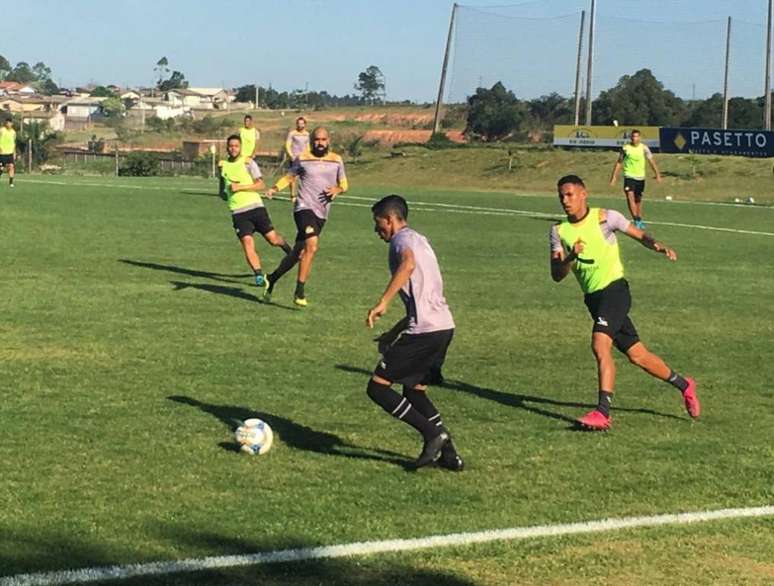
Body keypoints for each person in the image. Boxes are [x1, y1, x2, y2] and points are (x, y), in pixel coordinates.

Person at [549, 175, 699, 431]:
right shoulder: (558, 231)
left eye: (570, 194)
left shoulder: (606, 217)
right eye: (561, 195)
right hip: (594, 300)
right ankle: (685, 385)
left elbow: (639, 235)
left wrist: (659, 246)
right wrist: (570, 257)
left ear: (584, 194)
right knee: (638, 355)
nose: (565, 200)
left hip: (615, 291)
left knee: (599, 344)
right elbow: (557, 275)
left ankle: (602, 412)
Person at [365, 194, 463, 470]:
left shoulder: (402, 241)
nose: (377, 230)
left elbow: (407, 265)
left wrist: (383, 301)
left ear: (390, 219)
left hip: (425, 331)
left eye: (378, 223)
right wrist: (392, 333)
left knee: (377, 388)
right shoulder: (421, 240)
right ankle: (450, 455)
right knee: (414, 392)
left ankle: (433, 434)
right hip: (443, 326)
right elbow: (421, 296)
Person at [263, 127, 347, 307]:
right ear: (311, 140)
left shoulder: (337, 160)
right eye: (317, 139)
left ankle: (272, 278)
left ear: (328, 140)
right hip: (303, 208)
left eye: (323, 139)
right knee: (312, 245)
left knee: (298, 253)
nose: (320, 143)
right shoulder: (303, 158)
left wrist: (337, 190)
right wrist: (275, 188)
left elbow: (344, 184)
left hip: (322, 212)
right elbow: (289, 177)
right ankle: (299, 291)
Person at [219, 134, 292, 290]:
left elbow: (260, 184)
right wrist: (224, 194)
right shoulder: (223, 165)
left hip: (256, 208)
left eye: (236, 146)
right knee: (247, 242)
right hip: (238, 212)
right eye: (230, 146)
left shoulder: (248, 162)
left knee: (273, 240)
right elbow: (222, 190)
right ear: (227, 147)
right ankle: (259, 275)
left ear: (240, 147)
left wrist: (240, 187)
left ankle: (289, 251)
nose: (233, 148)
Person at [609, 129, 661, 229]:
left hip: (641, 177)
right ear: (630, 138)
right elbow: (619, 162)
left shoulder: (644, 148)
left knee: (638, 200)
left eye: (636, 136)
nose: (634, 138)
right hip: (629, 176)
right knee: (630, 196)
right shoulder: (625, 148)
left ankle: (639, 218)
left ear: (640, 138)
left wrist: (657, 174)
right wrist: (614, 177)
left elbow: (651, 161)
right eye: (633, 137)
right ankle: (636, 219)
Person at [284, 117, 310, 204]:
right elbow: (287, 144)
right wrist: (291, 155)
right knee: (292, 178)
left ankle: (304, 195)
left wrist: (309, 156)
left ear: (305, 124)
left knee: (305, 177)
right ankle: (293, 195)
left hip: (304, 159)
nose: (300, 125)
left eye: (302, 123)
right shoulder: (292, 133)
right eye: (299, 123)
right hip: (294, 158)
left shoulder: (307, 134)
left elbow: (308, 147)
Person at [0, 118, 17, 188]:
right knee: (1, 168)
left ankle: (11, 183)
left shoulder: (13, 132)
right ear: (5, 123)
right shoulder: (2, 130)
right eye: (7, 123)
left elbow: (13, 143)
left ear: (12, 124)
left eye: (9, 123)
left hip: (10, 153)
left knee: (11, 167)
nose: (8, 124)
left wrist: (14, 152)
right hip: (2, 153)